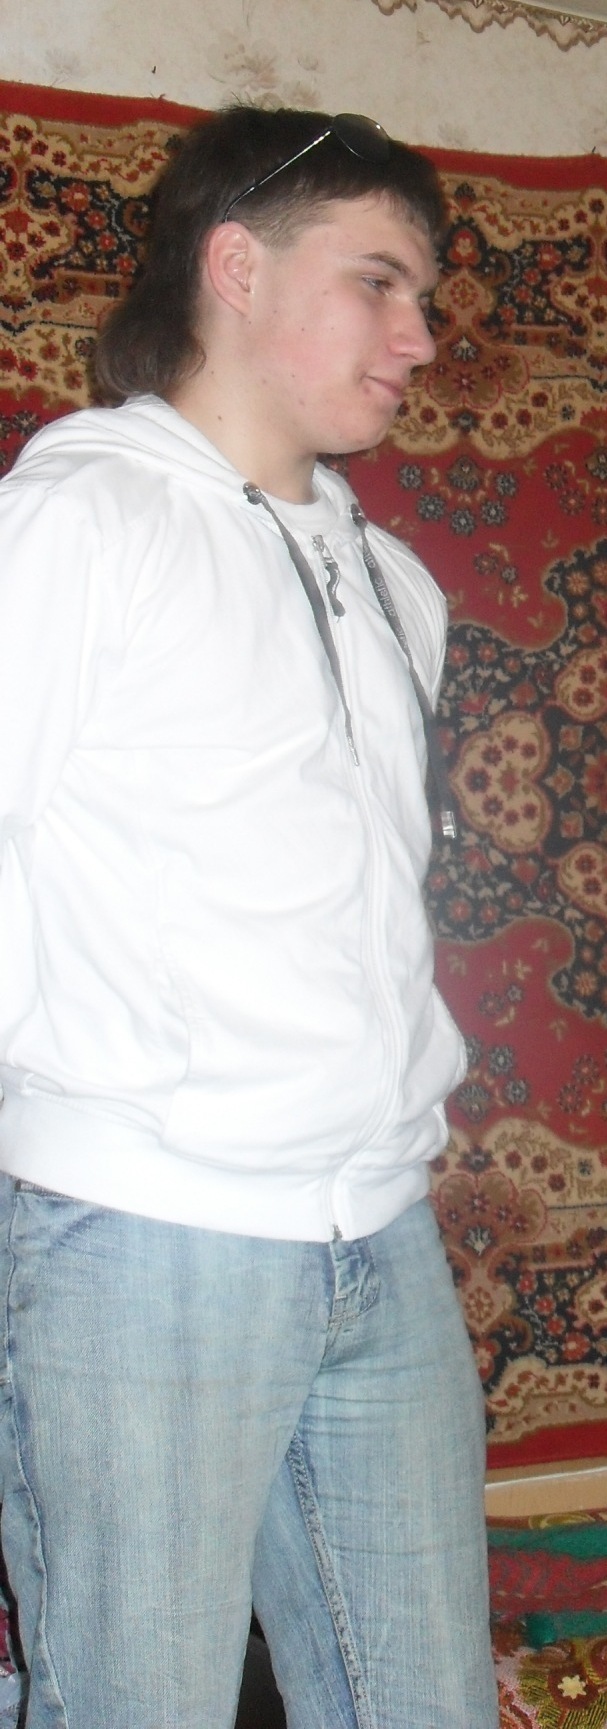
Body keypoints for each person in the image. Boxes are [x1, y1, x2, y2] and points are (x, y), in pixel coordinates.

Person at [0, 105, 498, 1728]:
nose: (421, 338)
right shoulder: (84, 521)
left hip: (382, 1238)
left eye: (427, 298)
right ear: (235, 266)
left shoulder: (396, 585)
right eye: (381, 282)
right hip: (146, 1239)